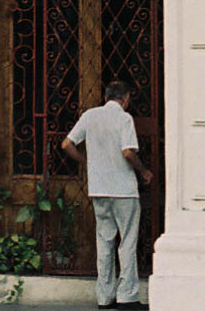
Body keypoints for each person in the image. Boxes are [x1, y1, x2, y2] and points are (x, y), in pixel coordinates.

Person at [62, 78, 152, 308]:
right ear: (126, 98)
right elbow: (128, 152)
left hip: (99, 189)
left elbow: (67, 144)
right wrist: (143, 171)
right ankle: (127, 295)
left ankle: (104, 297)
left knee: (104, 242)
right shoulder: (124, 118)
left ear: (106, 97)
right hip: (123, 190)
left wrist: (86, 162)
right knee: (127, 242)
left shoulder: (90, 116)